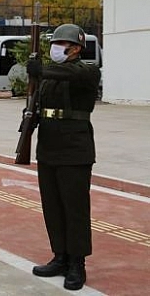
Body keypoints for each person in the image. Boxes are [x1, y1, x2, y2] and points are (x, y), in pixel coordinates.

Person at [27, 24, 101, 291]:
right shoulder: (49, 75)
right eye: (54, 43)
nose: (55, 48)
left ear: (77, 48)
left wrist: (40, 70)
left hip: (74, 147)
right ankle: (60, 256)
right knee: (53, 205)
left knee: (75, 208)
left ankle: (77, 263)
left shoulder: (87, 70)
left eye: (61, 44)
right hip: (48, 145)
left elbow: (72, 73)